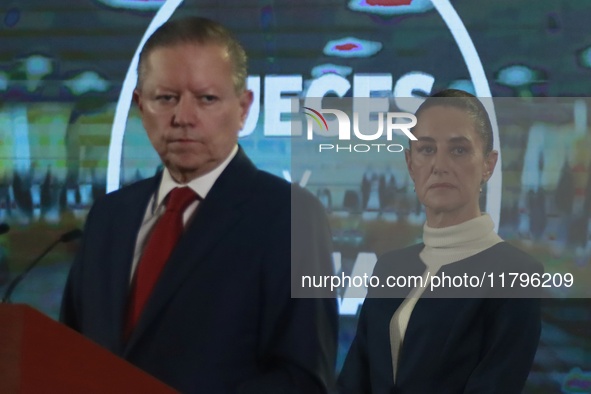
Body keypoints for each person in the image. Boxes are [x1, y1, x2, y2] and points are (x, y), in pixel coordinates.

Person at [60, 16, 338, 393]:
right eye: (166, 98)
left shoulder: (293, 216)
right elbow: (65, 353)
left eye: (206, 98)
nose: (183, 118)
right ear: (141, 106)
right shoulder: (109, 215)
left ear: (243, 108)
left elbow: (306, 378)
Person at [338, 89, 543, 393]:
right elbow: (354, 380)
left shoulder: (516, 274)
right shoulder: (390, 267)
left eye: (458, 150)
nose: (440, 165)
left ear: (488, 164)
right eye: (426, 150)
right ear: (410, 164)